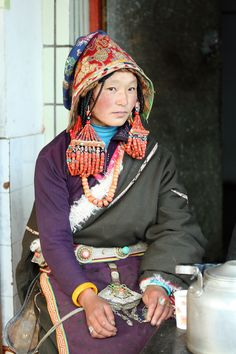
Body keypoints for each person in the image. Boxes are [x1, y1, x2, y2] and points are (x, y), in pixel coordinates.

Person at [16, 30, 206, 354]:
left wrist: (158, 283)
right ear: (87, 94)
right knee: (95, 339)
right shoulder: (52, 159)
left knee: (167, 334)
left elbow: (177, 225)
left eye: (131, 89)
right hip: (73, 273)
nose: (123, 99)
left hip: (140, 270)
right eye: (113, 88)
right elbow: (55, 240)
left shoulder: (154, 156)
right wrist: (87, 297)